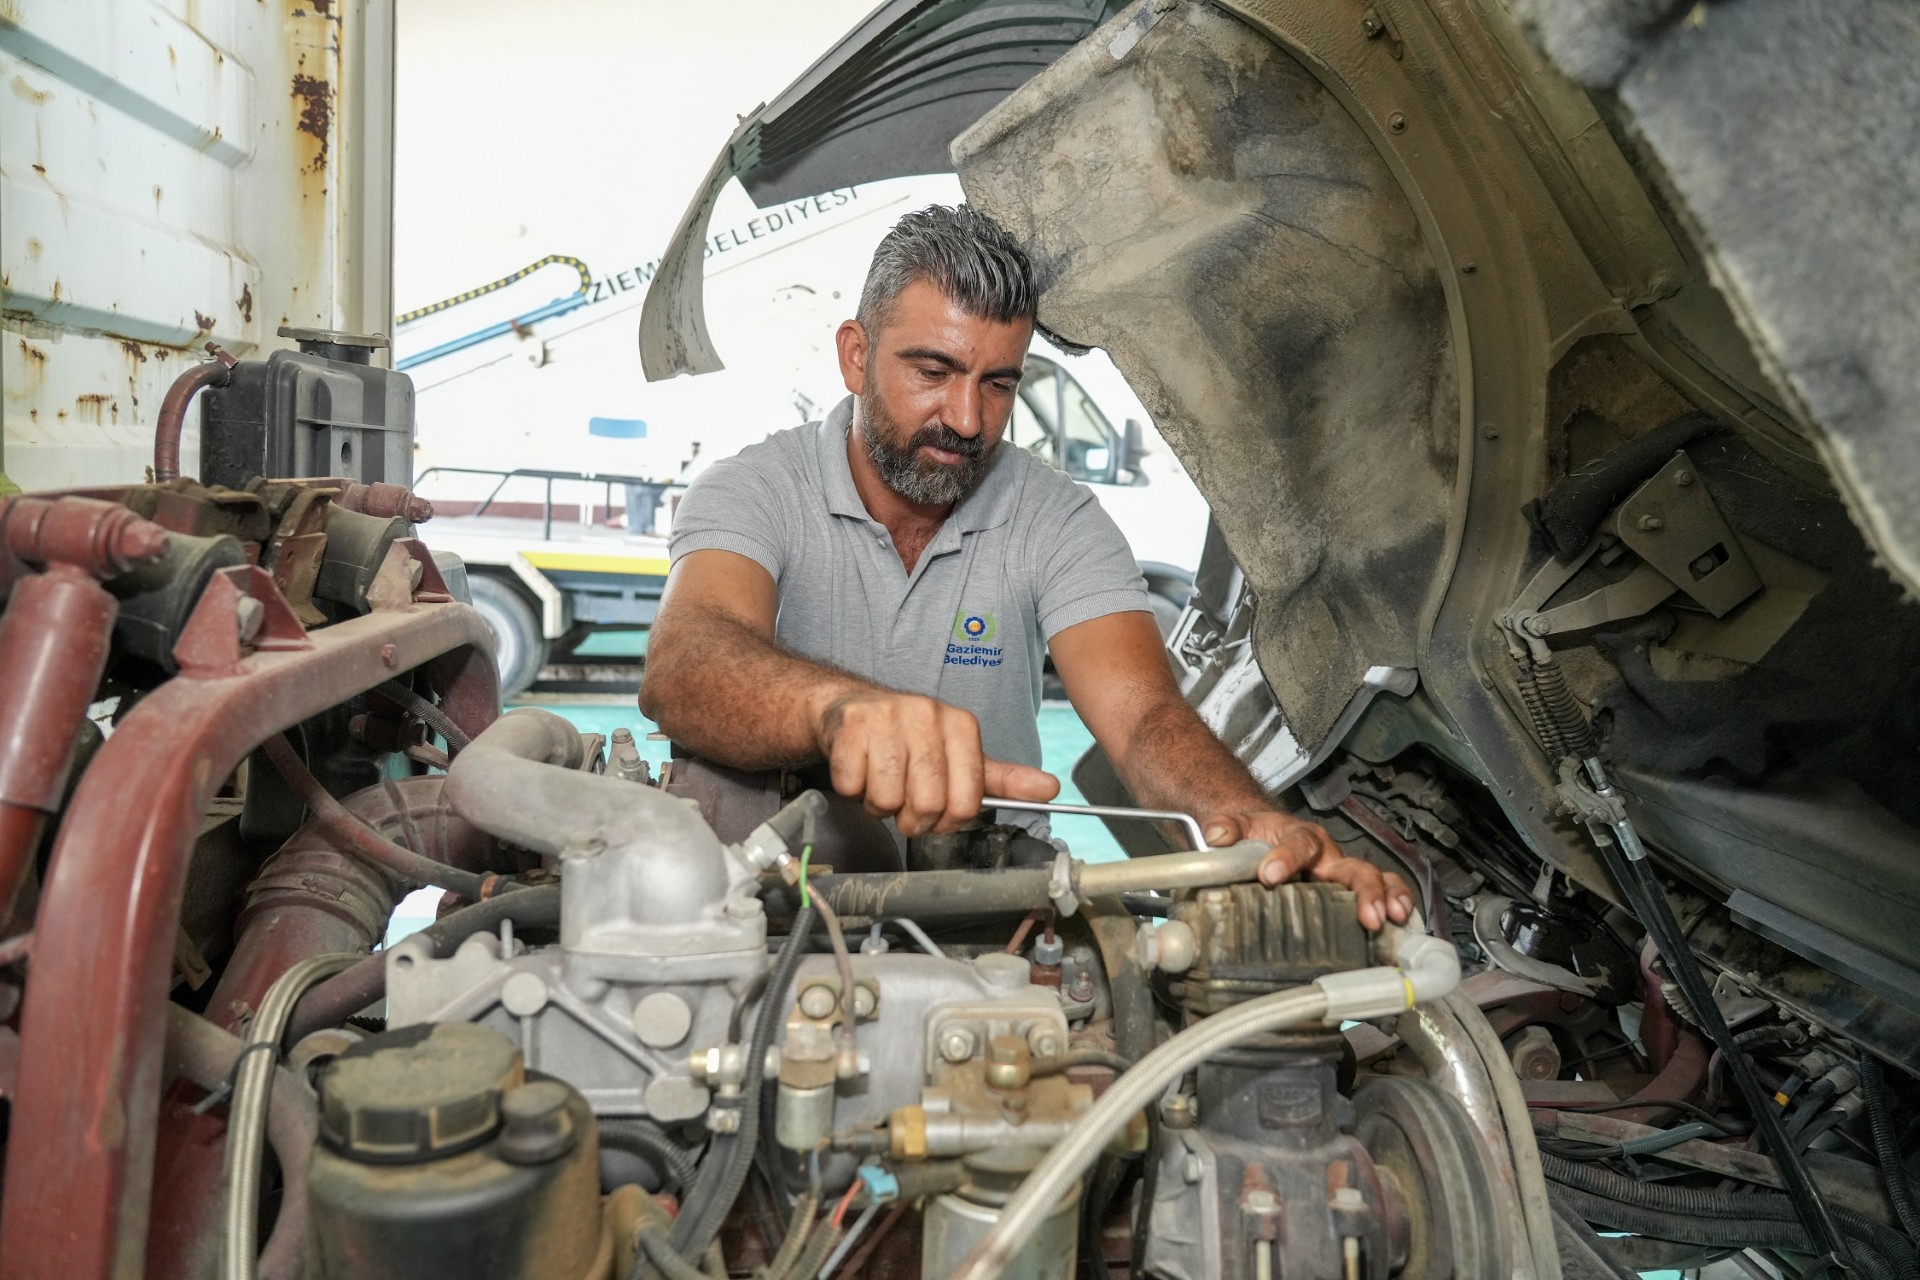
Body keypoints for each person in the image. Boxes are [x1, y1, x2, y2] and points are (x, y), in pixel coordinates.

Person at [639, 205, 1412, 930]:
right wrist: (837, 710)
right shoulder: (756, 489)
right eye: (933, 372)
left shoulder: (1057, 519)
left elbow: (1145, 718)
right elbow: (685, 664)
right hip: (792, 897)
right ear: (855, 355)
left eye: (998, 384)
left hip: (999, 905)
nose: (968, 420)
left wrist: (1248, 823)